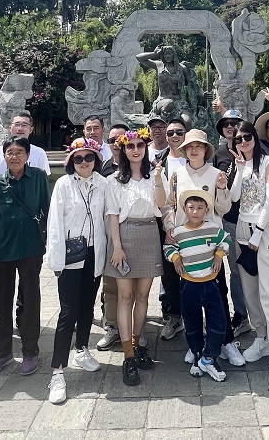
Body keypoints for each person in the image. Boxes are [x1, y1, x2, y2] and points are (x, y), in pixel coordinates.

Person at [156, 129, 242, 367]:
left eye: (199, 146)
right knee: (189, 297)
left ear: (206, 150)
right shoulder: (177, 175)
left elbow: (223, 209)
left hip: (210, 243)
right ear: (184, 151)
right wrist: (170, 227)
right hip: (186, 244)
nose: (194, 150)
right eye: (190, 147)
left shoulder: (216, 174)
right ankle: (194, 344)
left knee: (218, 294)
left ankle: (226, 341)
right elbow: (169, 206)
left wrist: (222, 188)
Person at [0, 135, 51, 378]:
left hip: (31, 247)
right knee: (2, 301)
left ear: (28, 155)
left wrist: (49, 243)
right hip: (3, 248)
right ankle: (2, 352)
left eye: (19, 152)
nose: (14, 157)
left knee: (30, 299)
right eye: (10, 152)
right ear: (4, 156)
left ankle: (31, 351)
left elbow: (47, 209)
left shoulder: (39, 177)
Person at [45, 137, 107, 404]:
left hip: (94, 252)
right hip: (70, 254)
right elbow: (55, 223)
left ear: (96, 160)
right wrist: (56, 260)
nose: (84, 162)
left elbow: (108, 218)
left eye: (89, 157)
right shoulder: (63, 184)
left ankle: (82, 348)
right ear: (71, 161)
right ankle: (57, 370)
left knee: (87, 307)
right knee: (68, 311)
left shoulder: (103, 183)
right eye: (78, 158)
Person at [227, 121, 269, 392]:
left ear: (255, 137)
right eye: (239, 139)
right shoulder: (241, 164)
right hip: (243, 226)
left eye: (247, 137)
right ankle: (261, 336)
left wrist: (259, 232)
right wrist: (239, 169)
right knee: (249, 288)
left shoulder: (268, 163)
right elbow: (234, 198)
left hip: (265, 230)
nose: (243, 142)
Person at [105, 127, 163, 386]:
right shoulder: (114, 180)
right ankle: (128, 354)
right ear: (124, 149)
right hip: (124, 236)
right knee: (125, 296)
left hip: (149, 233)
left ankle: (138, 343)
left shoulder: (154, 176)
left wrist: (159, 179)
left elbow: (161, 204)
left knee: (142, 295)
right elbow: (113, 215)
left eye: (140, 145)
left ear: (145, 148)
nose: (136, 150)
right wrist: (117, 247)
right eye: (131, 146)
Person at [163, 189, 231, 382]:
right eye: (191, 207)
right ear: (184, 209)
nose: (195, 212)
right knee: (192, 322)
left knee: (218, 321)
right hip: (188, 284)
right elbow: (168, 247)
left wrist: (219, 254)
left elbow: (226, 239)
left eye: (200, 208)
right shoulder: (179, 232)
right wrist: (175, 258)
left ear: (206, 210)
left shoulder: (212, 228)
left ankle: (209, 357)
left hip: (210, 283)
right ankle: (197, 353)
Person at [212, 110, 251, 336]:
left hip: (252, 220)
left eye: (235, 123)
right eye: (226, 123)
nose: (230, 126)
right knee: (235, 271)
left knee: (255, 270)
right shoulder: (218, 155)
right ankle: (241, 314)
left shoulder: (252, 151)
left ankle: (257, 314)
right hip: (229, 219)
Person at [154, 117, 189, 339]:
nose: (175, 136)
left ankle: (196, 316)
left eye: (179, 132)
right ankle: (175, 315)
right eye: (170, 133)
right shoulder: (159, 161)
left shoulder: (195, 156)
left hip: (194, 224)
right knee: (170, 273)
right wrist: (168, 225)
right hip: (166, 224)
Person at [96, 123, 128, 352]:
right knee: (110, 285)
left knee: (134, 286)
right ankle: (112, 327)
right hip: (109, 233)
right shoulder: (102, 169)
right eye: (111, 140)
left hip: (135, 233)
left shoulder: (138, 166)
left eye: (120, 139)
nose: (116, 144)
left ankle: (134, 329)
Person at [0, 111, 51, 176]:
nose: (20, 128)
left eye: (24, 125)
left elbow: (44, 178)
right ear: (10, 128)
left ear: (31, 129)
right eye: (17, 125)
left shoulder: (39, 153)